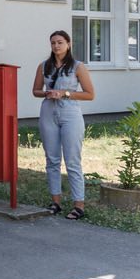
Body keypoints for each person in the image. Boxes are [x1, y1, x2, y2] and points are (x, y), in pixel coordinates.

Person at [32, 29, 95, 220]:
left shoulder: (77, 66)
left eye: (60, 42)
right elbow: (35, 90)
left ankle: (78, 204)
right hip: (48, 111)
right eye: (53, 43)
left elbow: (90, 94)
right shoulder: (44, 66)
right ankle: (55, 201)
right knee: (52, 159)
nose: (56, 46)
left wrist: (65, 93)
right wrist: (47, 93)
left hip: (70, 112)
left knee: (72, 159)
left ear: (68, 44)